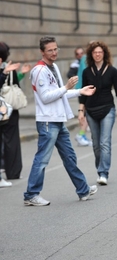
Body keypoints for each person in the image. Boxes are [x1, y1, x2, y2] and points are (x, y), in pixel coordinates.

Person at [24, 36, 98, 206]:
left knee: (70, 157)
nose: (54, 52)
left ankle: (83, 189)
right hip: (48, 122)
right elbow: (46, 97)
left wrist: (80, 91)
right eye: (50, 50)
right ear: (42, 51)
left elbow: (60, 94)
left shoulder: (54, 67)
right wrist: (66, 87)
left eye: (56, 49)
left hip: (58, 120)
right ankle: (31, 194)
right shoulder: (39, 71)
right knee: (42, 159)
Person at [79, 41, 117, 186]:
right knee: (96, 145)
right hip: (91, 110)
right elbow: (83, 92)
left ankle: (103, 173)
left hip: (107, 109)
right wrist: (81, 110)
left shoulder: (112, 71)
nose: (97, 54)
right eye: (95, 52)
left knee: (105, 142)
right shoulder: (87, 72)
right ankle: (100, 167)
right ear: (91, 55)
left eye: (100, 52)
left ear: (104, 54)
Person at [0, 42, 30, 180]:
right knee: (12, 141)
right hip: (9, 109)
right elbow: (15, 86)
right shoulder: (9, 68)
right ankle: (13, 172)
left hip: (5, 109)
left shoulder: (9, 69)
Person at [67, 46, 92, 146]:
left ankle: (82, 135)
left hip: (83, 89)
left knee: (87, 114)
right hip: (84, 90)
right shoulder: (86, 59)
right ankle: (81, 135)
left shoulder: (84, 59)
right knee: (86, 114)